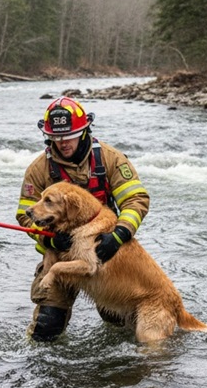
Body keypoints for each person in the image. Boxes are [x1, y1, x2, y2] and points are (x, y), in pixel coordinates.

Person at [16, 96, 150, 341]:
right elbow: (25, 216)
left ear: (85, 130)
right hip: (59, 254)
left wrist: (119, 235)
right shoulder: (38, 169)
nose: (62, 143)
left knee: (121, 326)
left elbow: (136, 200)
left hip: (104, 250)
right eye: (56, 137)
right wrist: (51, 242)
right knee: (47, 325)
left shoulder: (111, 159)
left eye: (69, 135)